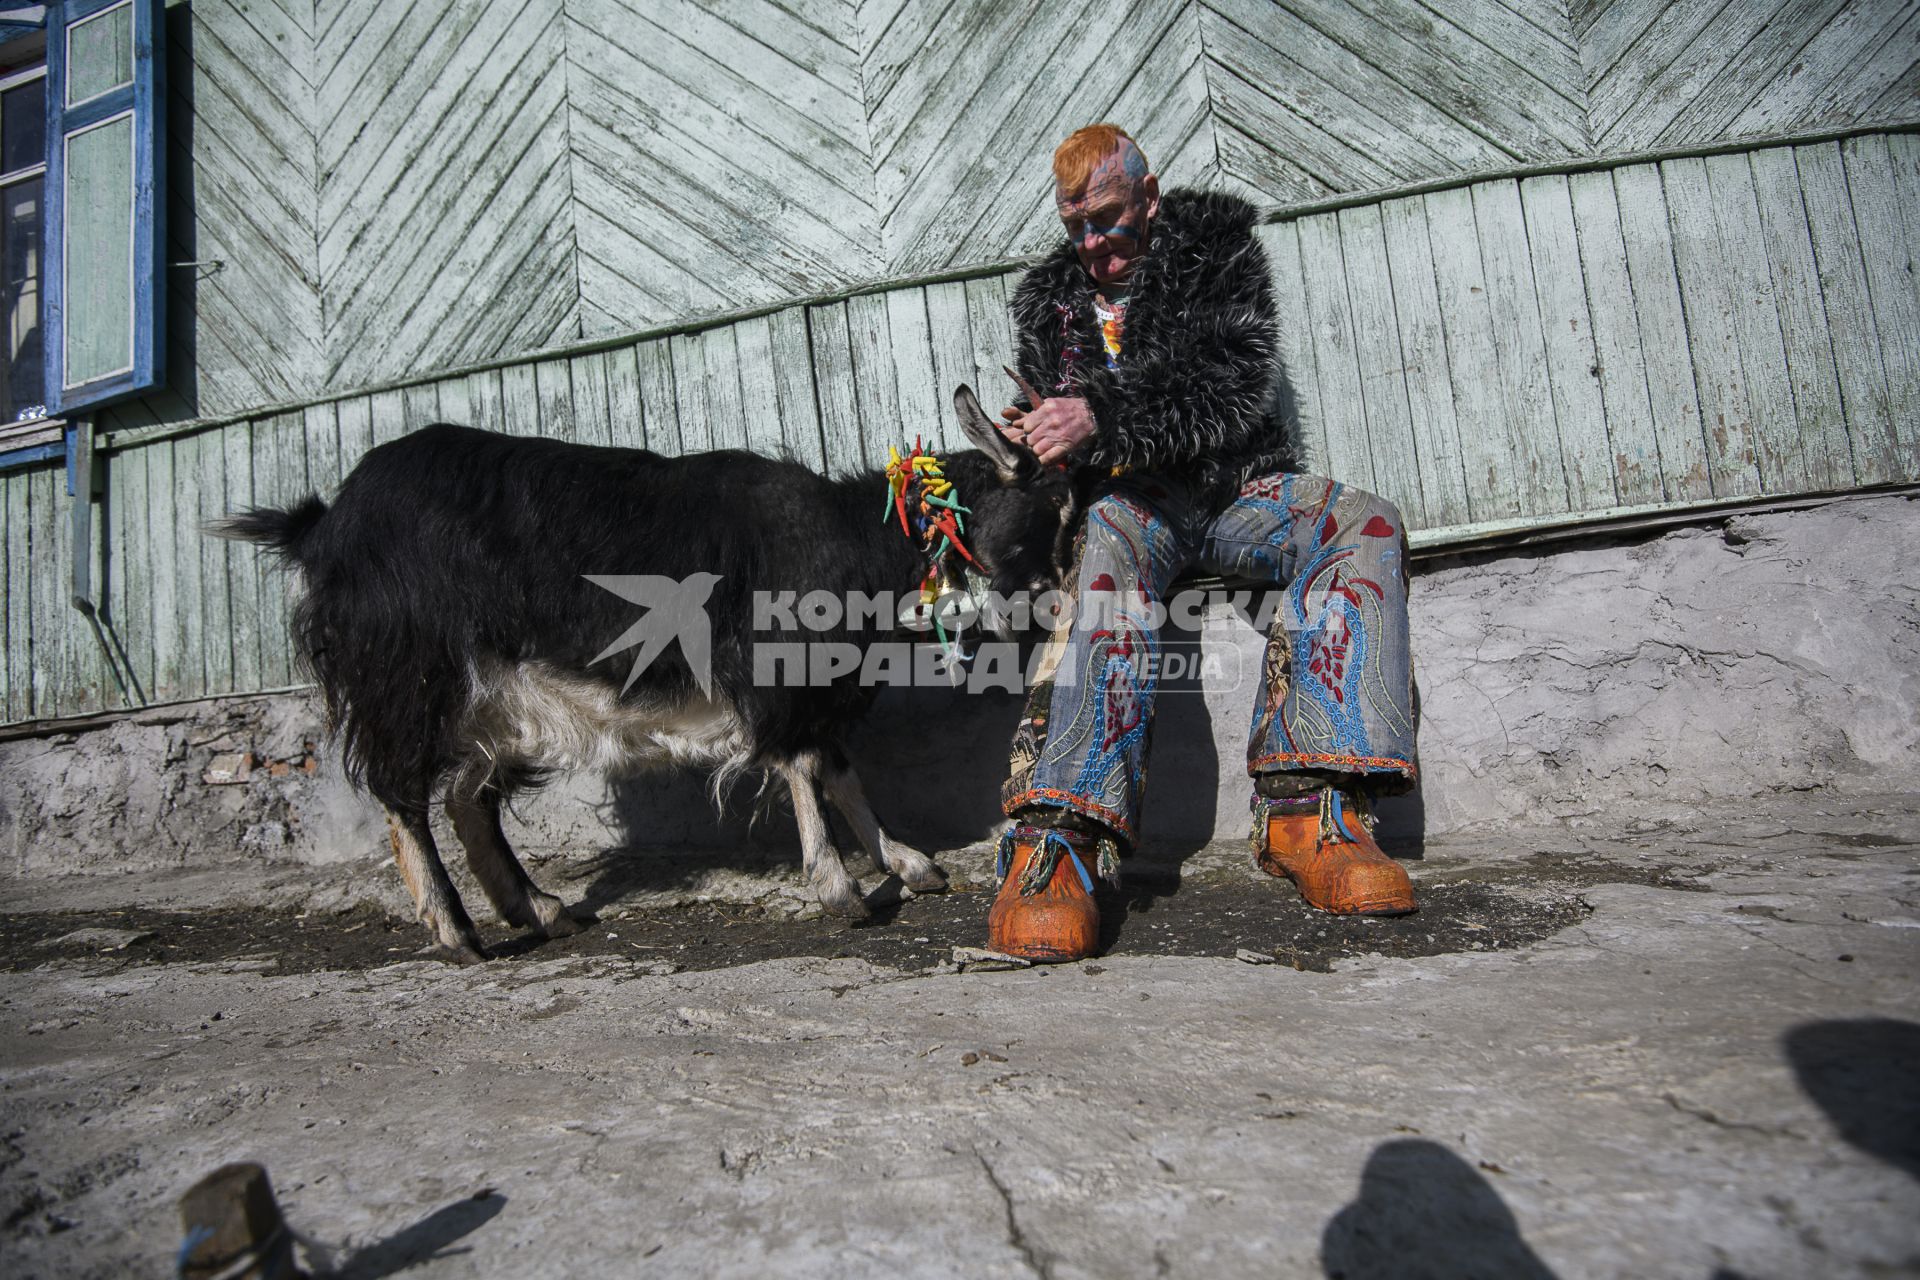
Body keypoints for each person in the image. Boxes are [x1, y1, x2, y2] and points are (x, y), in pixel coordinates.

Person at [986, 124, 1420, 962]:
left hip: (1232, 490)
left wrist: (1101, 414)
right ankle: (1062, 842)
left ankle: (1310, 811)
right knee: (1107, 535)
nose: (1093, 243)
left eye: (1108, 218)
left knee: (1361, 520)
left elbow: (1230, 383)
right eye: (1077, 226)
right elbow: (1069, 437)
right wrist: (1038, 438)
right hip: (1131, 502)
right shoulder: (1050, 298)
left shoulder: (1216, 248)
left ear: (1148, 198)